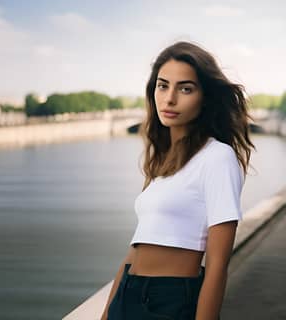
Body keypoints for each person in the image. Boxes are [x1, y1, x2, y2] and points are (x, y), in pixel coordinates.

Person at [100, 41, 255, 320]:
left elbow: (218, 264)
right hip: (128, 291)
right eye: (162, 85)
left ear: (205, 97)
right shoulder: (161, 162)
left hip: (169, 299)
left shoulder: (217, 157)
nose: (169, 99)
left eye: (185, 88)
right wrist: (108, 310)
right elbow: (137, 248)